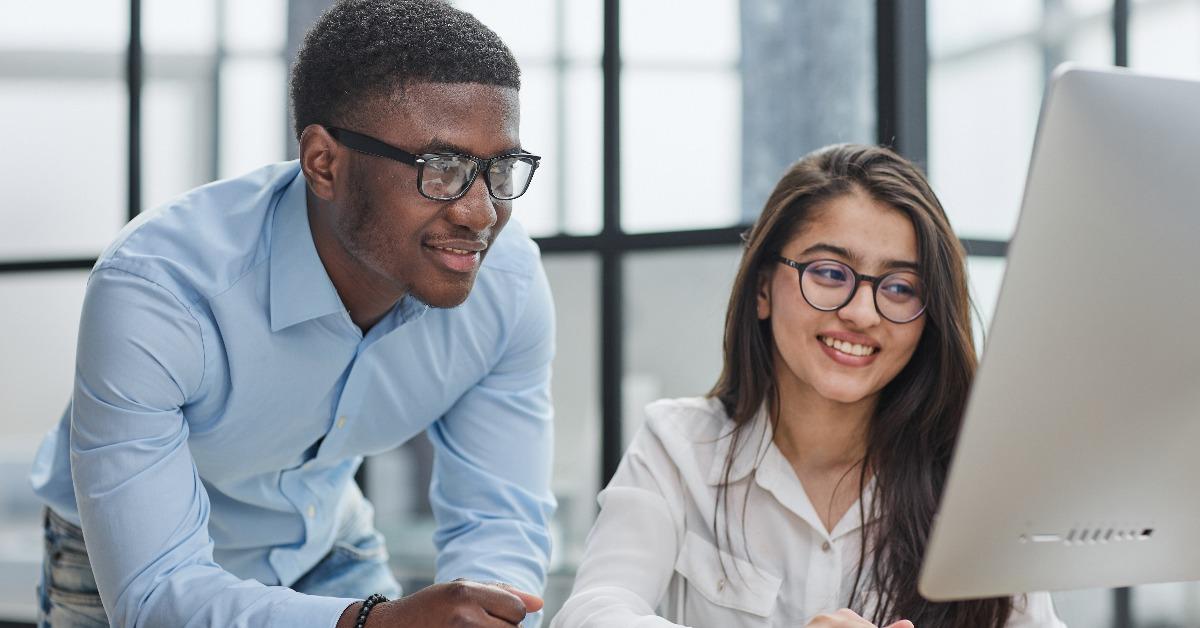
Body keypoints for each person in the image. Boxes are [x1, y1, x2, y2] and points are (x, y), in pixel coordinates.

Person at [29, 1, 555, 626]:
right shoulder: (159, 289)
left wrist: (490, 610)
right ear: (323, 162)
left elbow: (499, 517)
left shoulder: (507, 280)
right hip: (126, 564)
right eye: (439, 169)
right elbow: (156, 595)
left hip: (325, 541)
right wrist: (373, 624)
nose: (481, 213)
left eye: (500, 169)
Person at [551, 144, 1067, 627]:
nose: (862, 313)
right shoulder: (680, 446)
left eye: (900, 287)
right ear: (761, 289)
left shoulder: (976, 479)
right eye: (829, 272)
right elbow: (594, 611)